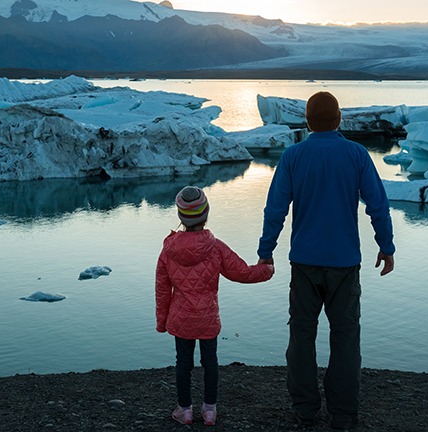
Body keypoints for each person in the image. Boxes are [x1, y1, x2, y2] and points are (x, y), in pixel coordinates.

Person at [257, 91, 396, 431]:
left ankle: (305, 410)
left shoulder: (293, 157)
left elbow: (276, 208)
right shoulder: (356, 154)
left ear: (307, 120)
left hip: (304, 262)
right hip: (345, 263)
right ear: (338, 119)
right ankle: (343, 414)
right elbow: (377, 204)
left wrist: (265, 251)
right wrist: (386, 246)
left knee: (301, 337)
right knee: (345, 338)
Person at [156, 185, 275, 426]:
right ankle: (209, 411)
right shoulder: (215, 246)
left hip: (181, 319)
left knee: (183, 363)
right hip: (208, 317)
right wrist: (267, 269)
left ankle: (185, 411)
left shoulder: (168, 250)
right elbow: (242, 272)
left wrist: (162, 322)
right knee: (210, 362)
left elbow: (162, 289)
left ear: (180, 216)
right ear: (206, 213)